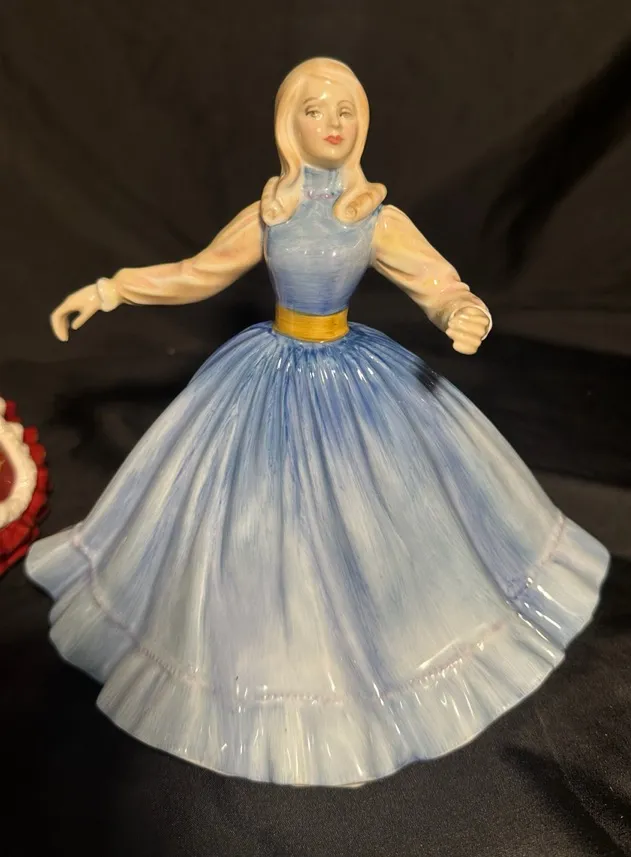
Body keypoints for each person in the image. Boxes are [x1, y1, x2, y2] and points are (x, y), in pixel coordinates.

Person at [26, 57, 609, 788]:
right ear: (288, 124)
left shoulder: (375, 216)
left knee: (381, 519)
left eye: (345, 111)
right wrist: (110, 290)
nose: (332, 124)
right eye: (315, 111)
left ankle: (380, 648)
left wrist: (462, 311)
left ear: (362, 122)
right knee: (249, 522)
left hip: (352, 375)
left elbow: (438, 283)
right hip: (266, 372)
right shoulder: (269, 213)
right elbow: (196, 273)